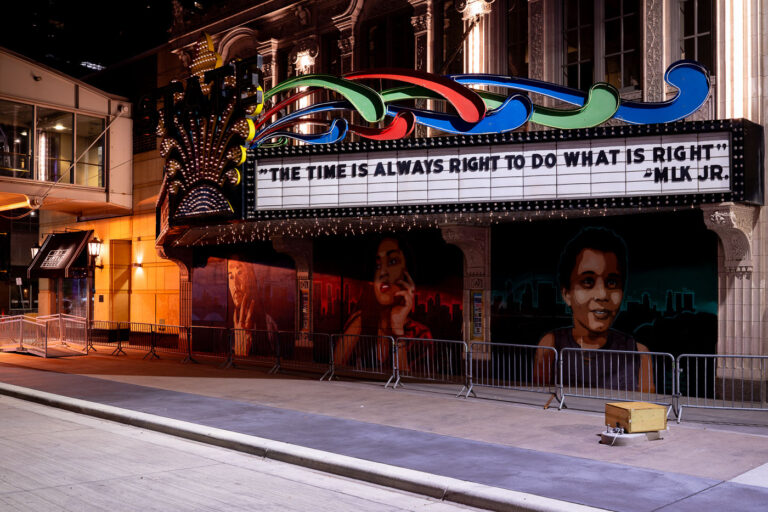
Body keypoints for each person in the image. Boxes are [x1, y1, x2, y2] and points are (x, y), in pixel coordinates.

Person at [534, 228, 655, 393]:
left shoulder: (639, 353)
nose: (602, 294)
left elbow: (647, 408)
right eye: (588, 281)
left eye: (612, 283)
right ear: (566, 294)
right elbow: (538, 397)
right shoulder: (551, 345)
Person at [335, 237, 431, 371]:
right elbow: (335, 370)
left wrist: (397, 329)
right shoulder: (360, 322)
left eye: (392, 261)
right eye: (378, 266)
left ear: (408, 275)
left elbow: (406, 382)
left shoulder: (421, 334)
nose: (383, 273)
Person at [228, 259, 277, 357]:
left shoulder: (269, 324)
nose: (235, 285)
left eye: (240, 273)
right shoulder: (227, 324)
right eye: (231, 277)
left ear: (251, 277)